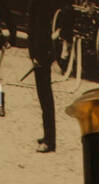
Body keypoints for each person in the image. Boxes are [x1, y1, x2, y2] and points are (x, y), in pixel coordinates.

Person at [29, 0, 60, 152]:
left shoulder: (43, 4)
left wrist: (38, 55)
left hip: (41, 55)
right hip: (37, 54)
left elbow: (41, 30)